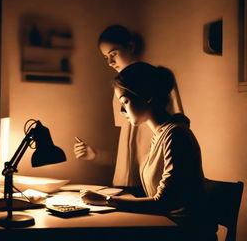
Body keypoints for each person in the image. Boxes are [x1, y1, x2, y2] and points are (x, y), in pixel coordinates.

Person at [80, 62, 217, 241]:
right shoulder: (161, 134)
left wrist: (106, 201)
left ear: (148, 97)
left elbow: (165, 201)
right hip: (165, 228)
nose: (122, 110)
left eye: (125, 102)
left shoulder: (176, 135)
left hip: (185, 234)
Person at [74, 25, 184, 188]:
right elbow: (127, 147)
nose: (110, 62)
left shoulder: (154, 82)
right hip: (126, 183)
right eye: (106, 57)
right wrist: (96, 155)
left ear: (130, 47)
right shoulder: (118, 91)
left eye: (113, 54)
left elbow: (179, 125)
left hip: (154, 183)